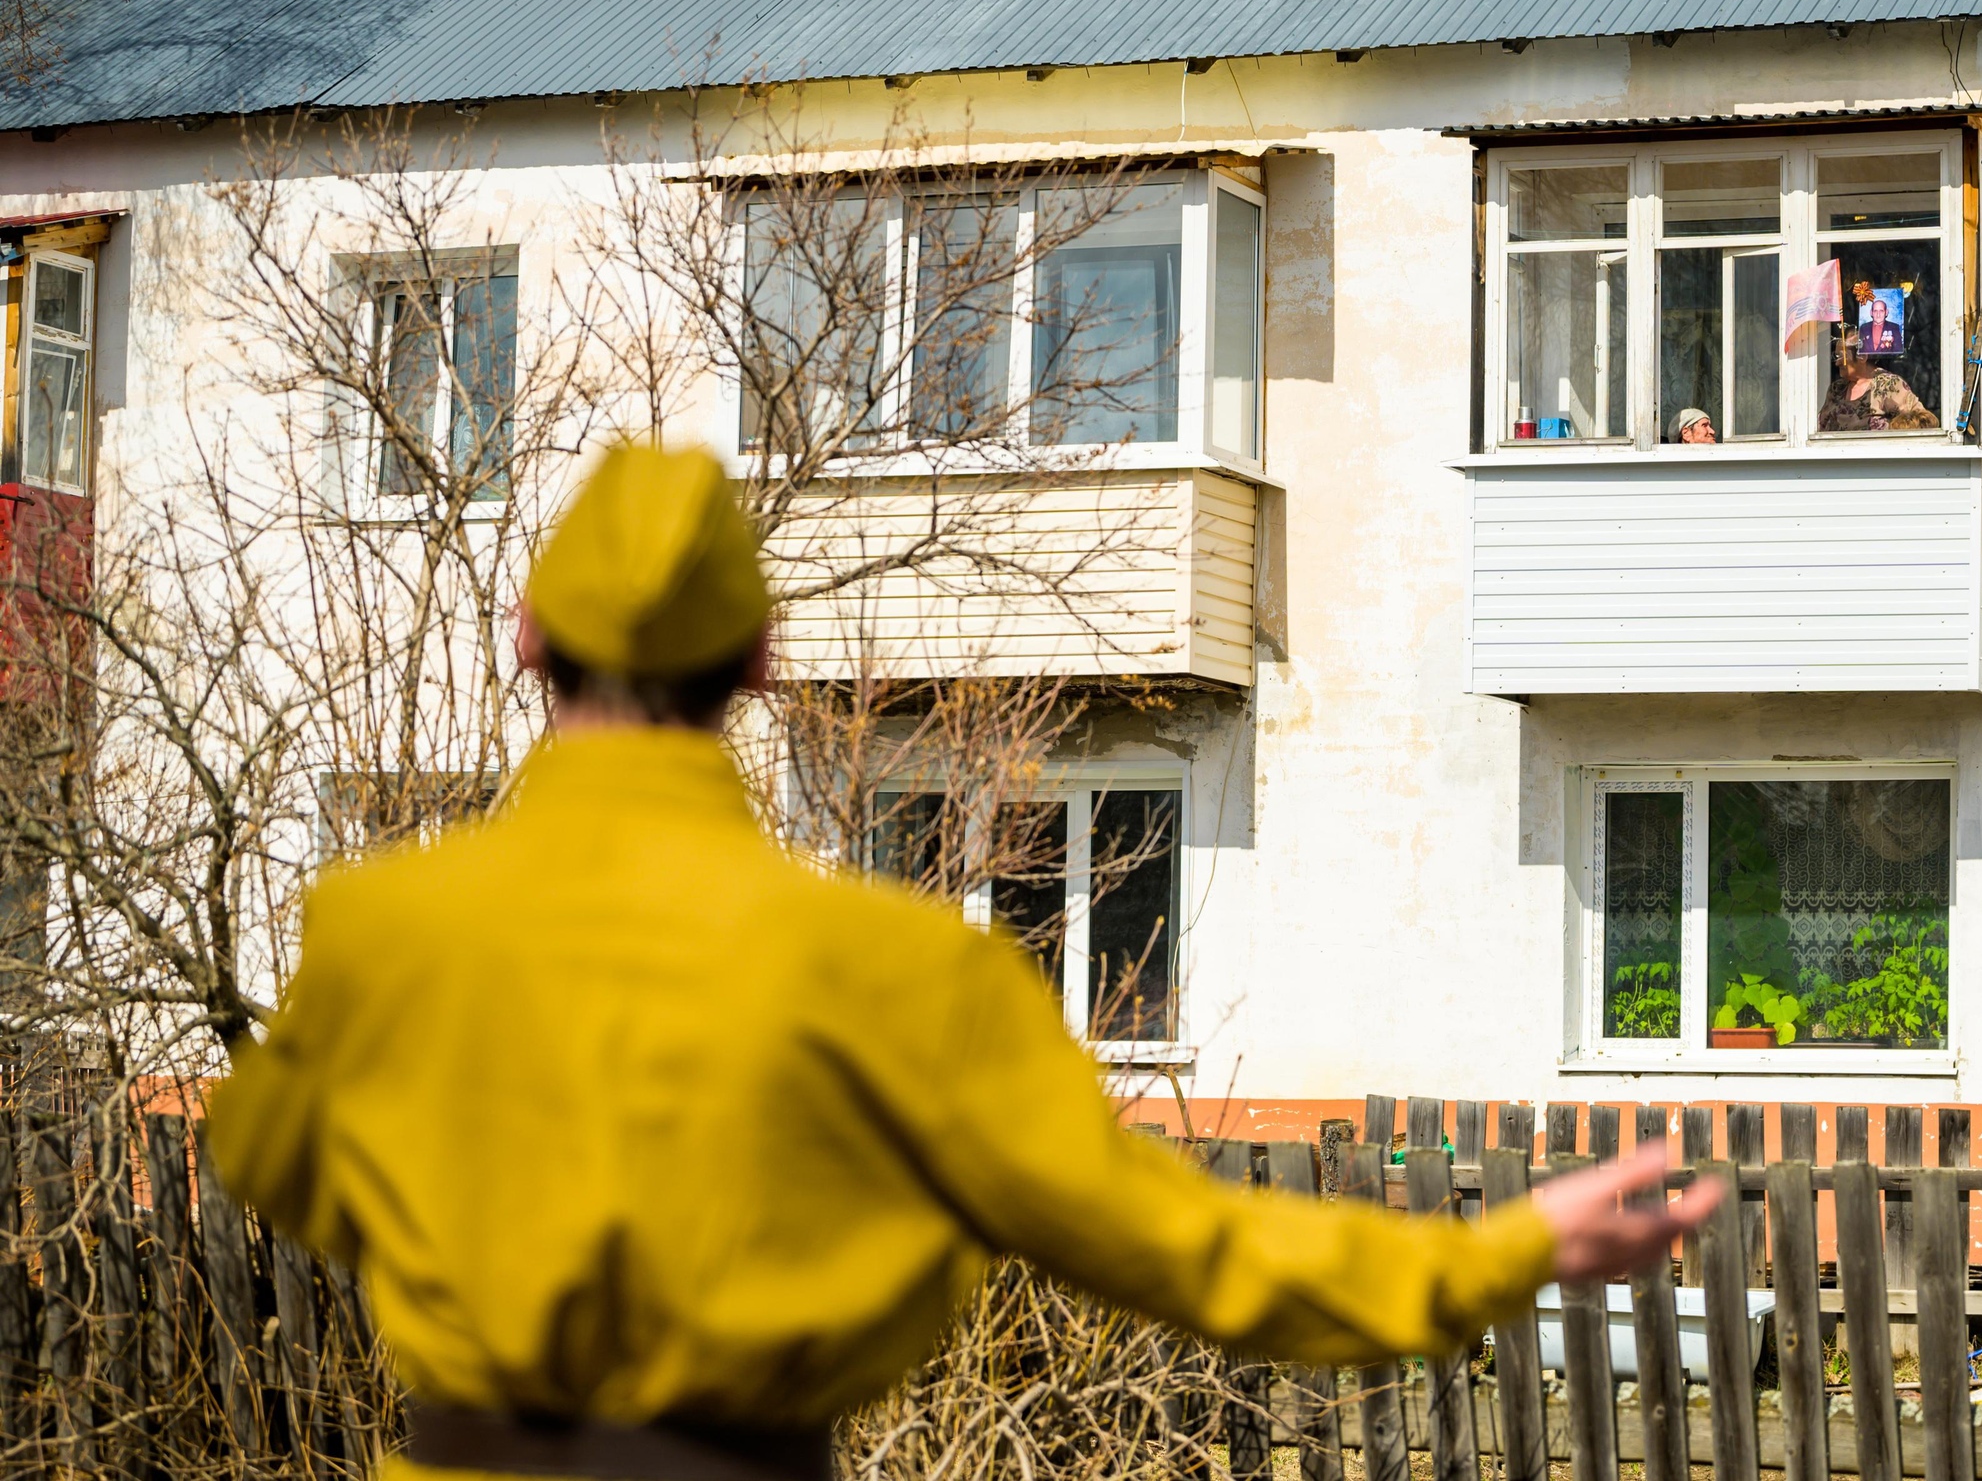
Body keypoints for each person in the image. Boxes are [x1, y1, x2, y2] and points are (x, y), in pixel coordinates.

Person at [207, 443, 1707, 1481]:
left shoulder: (380, 928)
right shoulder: (900, 971)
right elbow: (1185, 1249)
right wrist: (1504, 1248)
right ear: (759, 664)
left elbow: (272, 1160)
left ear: (525, 636)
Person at [1818, 324, 1935, 432]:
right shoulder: (1837, 389)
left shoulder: (1889, 385)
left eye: (1841, 356)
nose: (1837, 363)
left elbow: (1923, 423)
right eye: (1836, 356)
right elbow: (1818, 428)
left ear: (1862, 357)